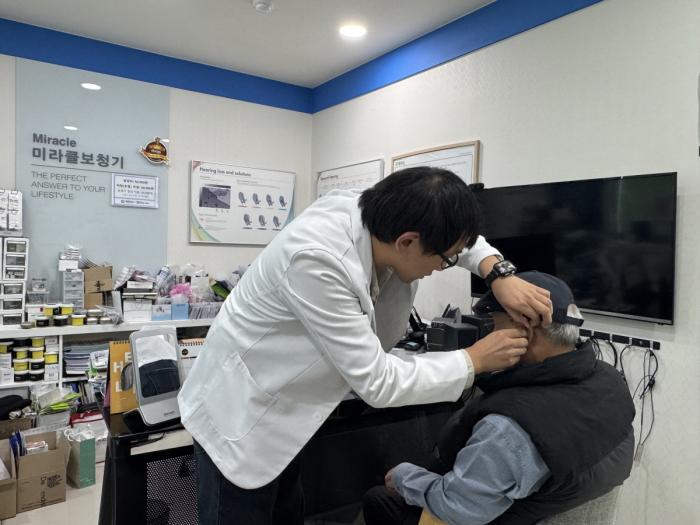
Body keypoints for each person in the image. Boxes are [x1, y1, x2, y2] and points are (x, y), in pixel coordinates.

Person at [178, 167, 554, 524]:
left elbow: (460, 242)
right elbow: (377, 381)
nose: (443, 267)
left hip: (286, 412)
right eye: (444, 261)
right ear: (407, 242)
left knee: (285, 509)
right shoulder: (318, 259)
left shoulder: (381, 213)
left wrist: (498, 273)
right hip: (242, 412)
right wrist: (473, 360)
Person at [364, 271, 635, 525]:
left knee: (380, 499)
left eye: (493, 327)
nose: (488, 338)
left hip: (478, 512)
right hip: (547, 504)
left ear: (525, 330)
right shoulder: (611, 381)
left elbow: (457, 506)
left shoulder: (507, 429)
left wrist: (404, 477)